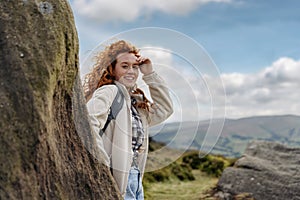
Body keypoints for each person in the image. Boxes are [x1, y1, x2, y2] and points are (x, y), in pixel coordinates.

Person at [83, 40, 173, 199]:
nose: (131, 71)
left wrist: (150, 74)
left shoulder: (136, 103)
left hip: (136, 178)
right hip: (116, 181)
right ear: (112, 69)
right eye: (124, 66)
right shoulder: (109, 92)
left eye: (135, 67)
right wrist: (102, 166)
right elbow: (88, 122)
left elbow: (166, 109)